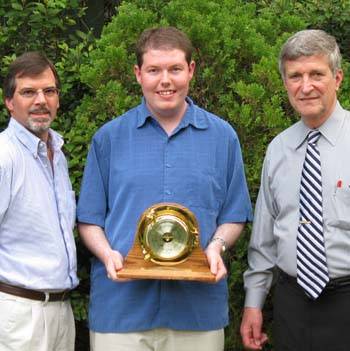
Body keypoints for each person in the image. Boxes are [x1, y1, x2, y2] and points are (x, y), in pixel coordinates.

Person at [77, 26, 252, 351]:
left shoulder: (223, 137)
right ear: (138, 74)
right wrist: (106, 254)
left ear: (191, 70)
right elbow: (89, 218)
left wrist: (215, 247)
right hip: (121, 310)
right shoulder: (108, 138)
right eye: (154, 70)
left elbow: (234, 214)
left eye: (174, 69)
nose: (165, 80)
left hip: (197, 313)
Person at [240, 29, 350, 351]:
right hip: (292, 305)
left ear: (338, 77)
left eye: (316, 74)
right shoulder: (279, 149)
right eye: (295, 76)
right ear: (286, 83)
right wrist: (253, 303)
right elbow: (263, 240)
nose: (305, 86)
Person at [0, 52, 78, 351]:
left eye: (49, 91)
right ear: (10, 102)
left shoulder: (56, 154)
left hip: (60, 312)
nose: (41, 100)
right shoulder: (5, 158)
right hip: (18, 317)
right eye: (28, 92)